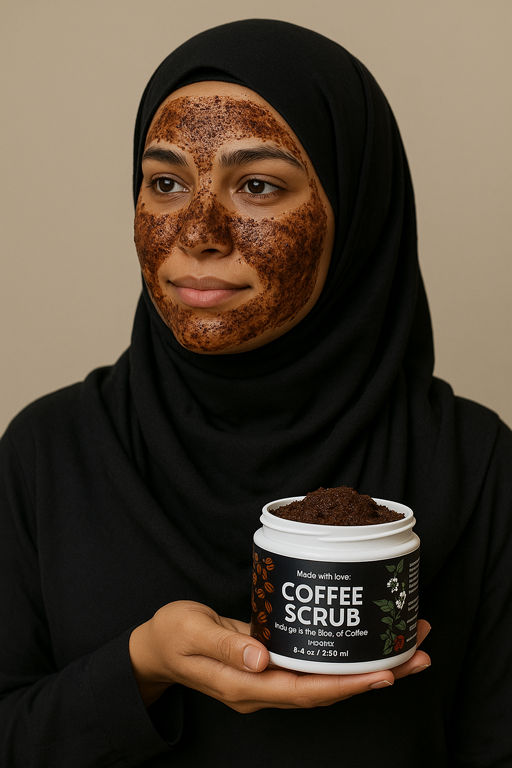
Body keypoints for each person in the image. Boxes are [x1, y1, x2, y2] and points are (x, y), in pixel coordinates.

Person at [0, 18, 511, 767]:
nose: (198, 232)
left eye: (258, 185)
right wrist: (141, 668)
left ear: (354, 210)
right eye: (166, 183)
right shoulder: (47, 453)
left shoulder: (474, 464)